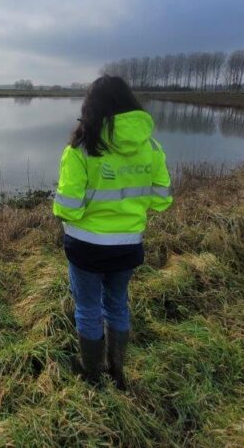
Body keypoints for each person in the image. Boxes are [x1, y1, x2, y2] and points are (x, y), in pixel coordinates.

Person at [52, 76, 173, 388]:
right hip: (128, 247)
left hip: (85, 247)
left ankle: (91, 373)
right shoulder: (152, 148)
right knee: (117, 304)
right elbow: (161, 200)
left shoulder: (81, 149)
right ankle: (117, 371)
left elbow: (67, 207)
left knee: (88, 308)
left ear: (90, 108)